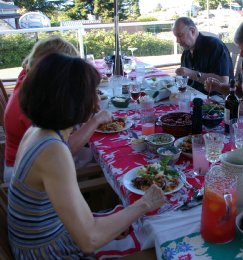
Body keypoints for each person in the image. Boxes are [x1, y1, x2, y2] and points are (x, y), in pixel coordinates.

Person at [7, 53, 166, 258]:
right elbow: (90, 239)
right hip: (50, 252)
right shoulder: (53, 151)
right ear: (72, 101)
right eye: (93, 92)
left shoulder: (38, 131)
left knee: (137, 221)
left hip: (46, 235)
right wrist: (145, 203)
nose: (97, 98)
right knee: (159, 242)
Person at [3, 35, 113, 183]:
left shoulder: (31, 81)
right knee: (110, 155)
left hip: (32, 164)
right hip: (29, 172)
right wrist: (95, 120)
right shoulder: (33, 104)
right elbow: (64, 149)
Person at [172, 17, 234, 94]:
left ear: (192, 31)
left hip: (216, 99)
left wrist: (191, 73)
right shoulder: (186, 53)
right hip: (194, 96)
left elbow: (223, 81)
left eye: (180, 35)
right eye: (176, 36)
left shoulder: (214, 46)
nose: (177, 41)